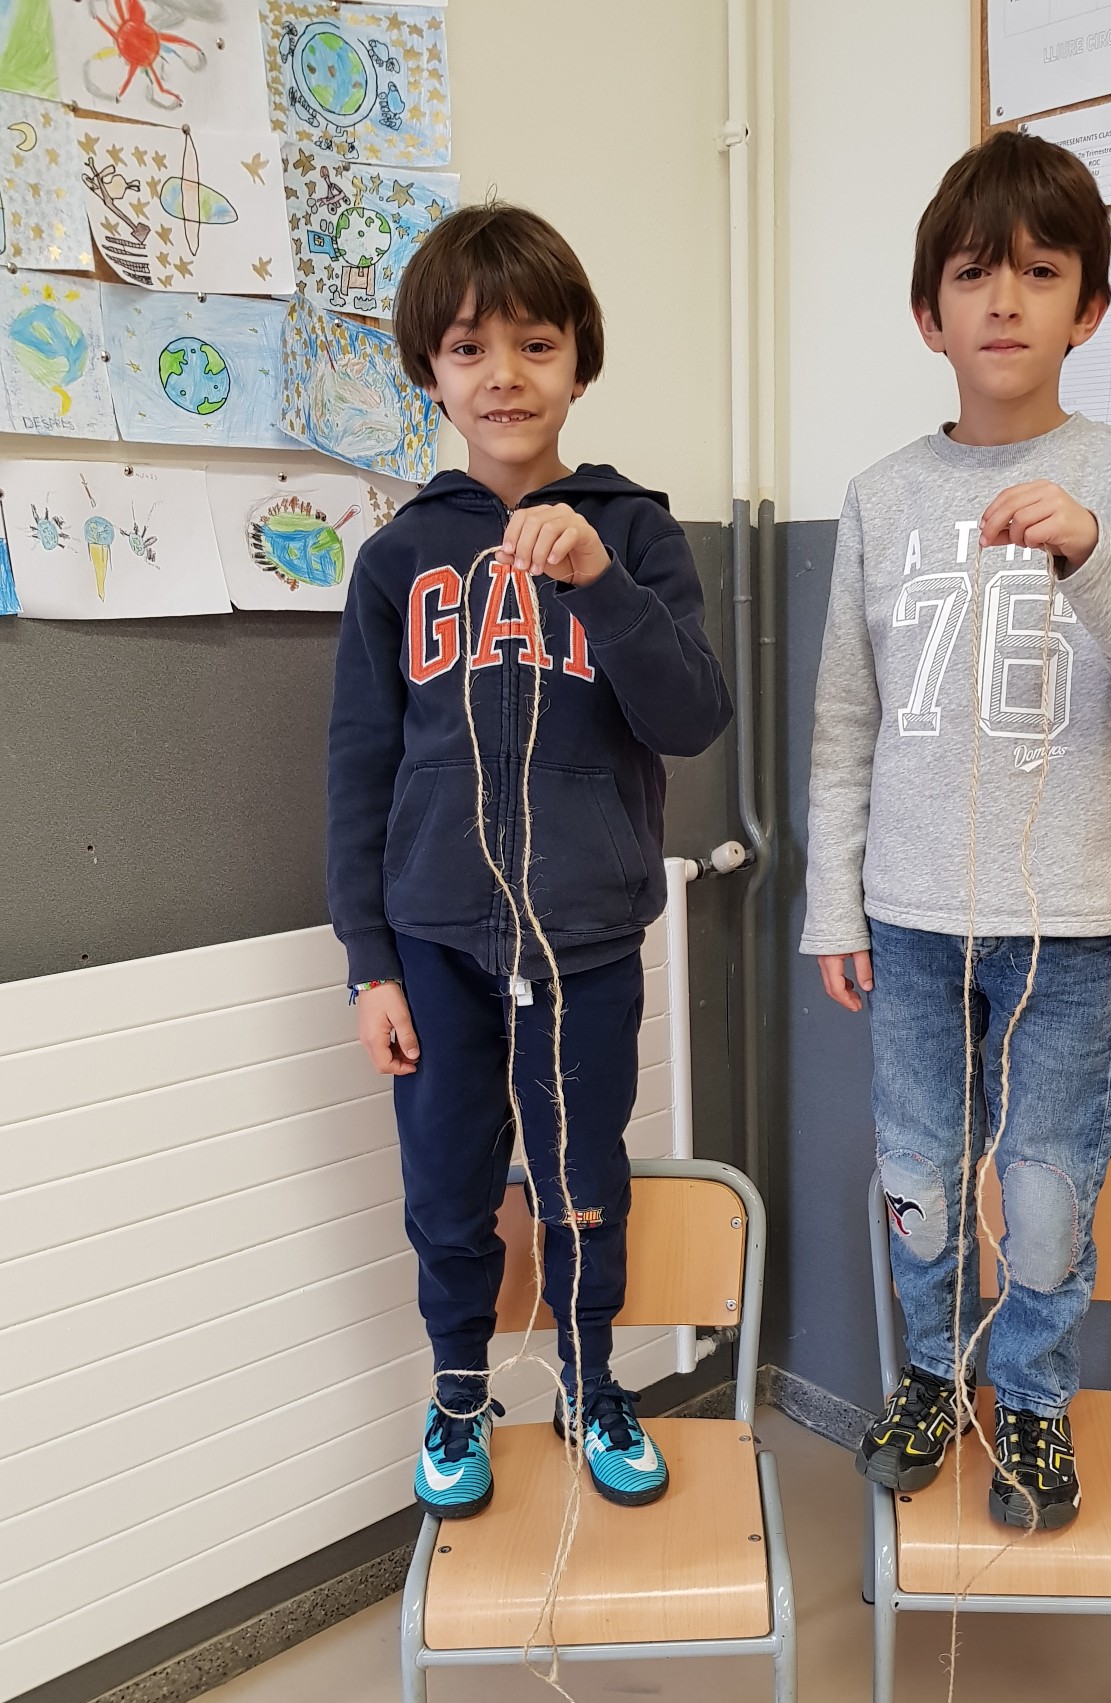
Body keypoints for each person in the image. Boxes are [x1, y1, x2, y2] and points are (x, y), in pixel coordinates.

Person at [803, 131, 1111, 1531]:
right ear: (929, 313)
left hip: (1070, 928)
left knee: (1046, 1188)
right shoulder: (880, 497)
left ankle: (1033, 1397)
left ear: (1089, 308)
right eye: (974, 274)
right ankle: (931, 1378)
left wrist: (1093, 550)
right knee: (920, 1176)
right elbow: (846, 720)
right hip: (911, 920)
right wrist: (835, 905)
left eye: (1040, 273)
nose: (1004, 300)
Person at [327, 205, 731, 1518]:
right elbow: (360, 768)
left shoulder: (638, 531)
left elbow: (691, 718)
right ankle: (459, 1394)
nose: (503, 375)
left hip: (586, 941)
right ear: (431, 372)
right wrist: (369, 965)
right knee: (448, 1190)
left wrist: (604, 583)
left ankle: (594, 1387)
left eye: (535, 345)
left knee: (581, 1187)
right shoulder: (399, 558)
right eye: (468, 348)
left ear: (578, 362)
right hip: (435, 943)